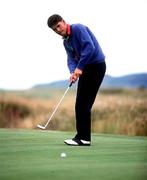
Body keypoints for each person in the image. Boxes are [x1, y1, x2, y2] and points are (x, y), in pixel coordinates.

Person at [47, 14, 106, 146]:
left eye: (58, 26)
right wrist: (73, 72)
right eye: (54, 29)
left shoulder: (78, 29)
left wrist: (79, 68)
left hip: (96, 66)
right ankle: (82, 137)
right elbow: (70, 59)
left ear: (63, 21)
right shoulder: (66, 41)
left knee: (84, 104)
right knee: (80, 104)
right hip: (86, 68)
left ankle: (84, 138)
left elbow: (89, 47)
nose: (58, 30)